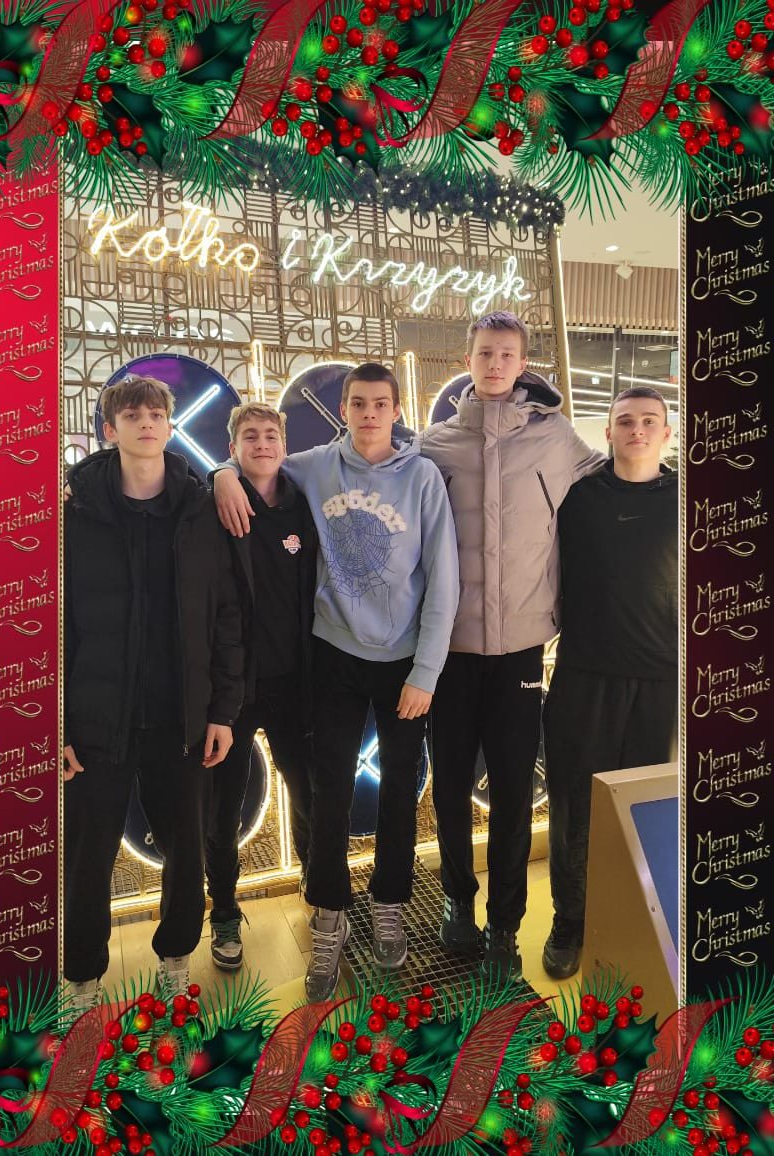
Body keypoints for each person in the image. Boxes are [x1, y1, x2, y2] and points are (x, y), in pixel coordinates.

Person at [212, 363, 459, 1000]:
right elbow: (256, 465)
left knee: (401, 789)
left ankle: (390, 903)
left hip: (404, 661)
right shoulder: (315, 466)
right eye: (358, 403)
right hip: (333, 654)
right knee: (328, 792)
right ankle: (330, 913)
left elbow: (444, 580)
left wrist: (426, 671)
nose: (369, 413)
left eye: (380, 403)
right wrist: (220, 474)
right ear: (343, 409)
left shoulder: (423, 477)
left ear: (397, 410)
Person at [420, 311, 605, 980]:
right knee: (448, 788)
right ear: (468, 360)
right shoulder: (435, 445)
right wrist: (228, 475)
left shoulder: (556, 438)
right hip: (449, 652)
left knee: (512, 794)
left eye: (507, 353)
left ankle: (504, 925)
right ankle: (458, 902)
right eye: (485, 352)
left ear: (522, 364)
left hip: (522, 652)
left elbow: (617, 482)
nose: (495, 363)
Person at [63, 374, 244, 1011]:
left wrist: (222, 710)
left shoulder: (198, 510)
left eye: (156, 414)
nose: (146, 423)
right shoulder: (75, 511)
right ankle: (83, 978)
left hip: (180, 716)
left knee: (186, 849)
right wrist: (57, 724)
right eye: (132, 414)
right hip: (96, 717)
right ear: (108, 429)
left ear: (169, 426)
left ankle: (175, 959)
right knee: (87, 857)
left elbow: (224, 615)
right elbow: (54, 621)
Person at [541, 386, 678, 980]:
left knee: (649, 814)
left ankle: (637, 921)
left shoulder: (690, 502)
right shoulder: (578, 496)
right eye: (626, 421)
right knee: (575, 806)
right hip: (583, 676)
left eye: (649, 421)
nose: (637, 430)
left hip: (661, 682)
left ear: (667, 433)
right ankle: (570, 920)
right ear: (609, 431)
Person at [206, 402, 317, 971]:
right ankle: (225, 912)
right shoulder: (217, 504)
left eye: (271, 435)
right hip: (232, 688)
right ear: (233, 448)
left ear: (284, 445)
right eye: (250, 436)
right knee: (223, 807)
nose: (262, 444)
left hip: (295, 682)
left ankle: (317, 888)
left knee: (309, 792)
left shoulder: (304, 503)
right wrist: (218, 477)